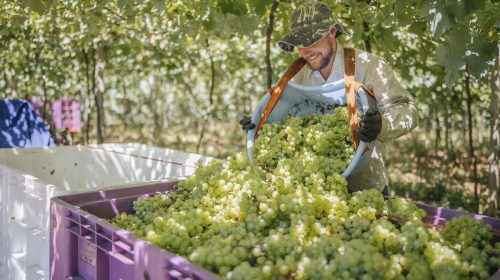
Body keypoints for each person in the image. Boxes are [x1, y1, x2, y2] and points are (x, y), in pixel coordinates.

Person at [241, 0, 418, 194]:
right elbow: (282, 122)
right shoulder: (295, 75)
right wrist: (259, 124)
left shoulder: (369, 66)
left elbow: (407, 109)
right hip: (313, 189)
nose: (305, 51)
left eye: (310, 41)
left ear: (332, 32)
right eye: (299, 44)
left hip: (364, 189)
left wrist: (382, 125)